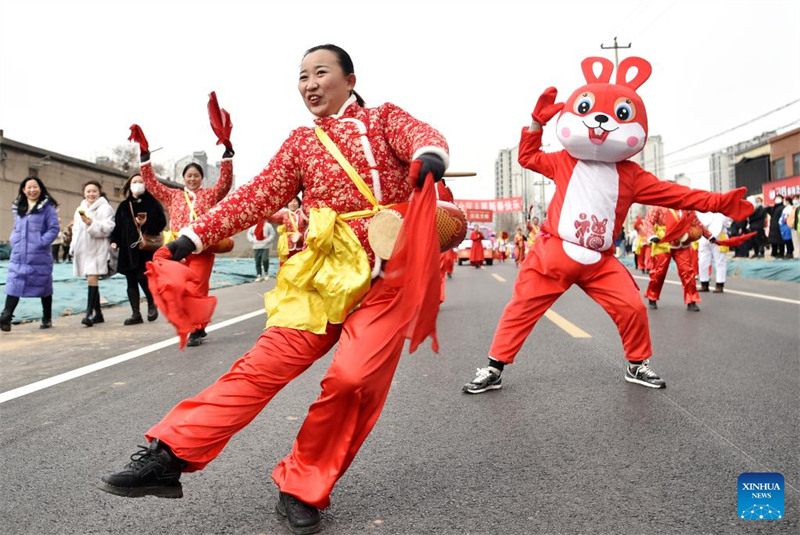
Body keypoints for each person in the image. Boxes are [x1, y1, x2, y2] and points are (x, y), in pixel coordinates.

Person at [99, 44, 449, 535]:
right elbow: (255, 195)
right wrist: (189, 238)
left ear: (350, 79)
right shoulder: (301, 144)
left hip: (386, 280)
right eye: (302, 76)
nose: (309, 84)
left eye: (320, 72)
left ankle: (302, 487)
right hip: (316, 278)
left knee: (352, 381)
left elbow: (423, 136)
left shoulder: (385, 119)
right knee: (260, 367)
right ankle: (169, 455)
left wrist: (429, 157)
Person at [461, 60, 752, 395]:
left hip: (599, 262)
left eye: (618, 116)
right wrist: (534, 125)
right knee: (521, 307)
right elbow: (527, 158)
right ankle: (494, 368)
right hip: (553, 254)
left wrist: (719, 202)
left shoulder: (632, 176)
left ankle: (637, 364)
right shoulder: (563, 161)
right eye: (588, 111)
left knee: (632, 306)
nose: (601, 121)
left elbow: (678, 194)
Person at [140, 142, 234, 346]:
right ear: (183, 178)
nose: (192, 179)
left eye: (196, 175)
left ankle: (196, 330)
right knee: (180, 288)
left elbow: (225, 184)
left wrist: (227, 157)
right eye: (189, 175)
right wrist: (145, 160)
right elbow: (152, 185)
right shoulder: (173, 195)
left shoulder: (210, 194)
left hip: (202, 248)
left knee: (197, 289)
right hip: (177, 248)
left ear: (202, 178)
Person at [1, 177, 60, 331]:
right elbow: (16, 227)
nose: (32, 190)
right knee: (14, 282)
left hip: (39, 254)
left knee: (44, 285)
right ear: (23, 190)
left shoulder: (47, 208)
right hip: (19, 253)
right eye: (29, 187)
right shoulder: (18, 207)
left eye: (35, 187)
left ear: (40, 188)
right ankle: (6, 317)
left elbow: (53, 229)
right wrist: (13, 240)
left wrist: (41, 242)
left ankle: (47, 318)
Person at [110, 173, 167, 325]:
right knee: (130, 281)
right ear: (129, 186)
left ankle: (151, 301)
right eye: (134, 182)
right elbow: (118, 227)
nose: (138, 184)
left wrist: (148, 222)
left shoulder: (152, 203)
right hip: (128, 249)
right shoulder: (124, 206)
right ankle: (136, 314)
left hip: (145, 248)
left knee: (142, 276)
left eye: (141, 181)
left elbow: (162, 223)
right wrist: (114, 241)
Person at [643, 206, 712, 311]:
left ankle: (691, 299)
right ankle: (652, 296)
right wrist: (651, 235)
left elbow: (696, 222)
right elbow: (648, 221)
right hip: (663, 242)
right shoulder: (659, 205)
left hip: (682, 243)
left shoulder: (687, 207)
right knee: (658, 272)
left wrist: (709, 235)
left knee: (687, 271)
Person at [70, 180, 115, 327]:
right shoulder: (79, 209)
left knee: (92, 278)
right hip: (83, 249)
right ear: (84, 193)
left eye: (94, 191)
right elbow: (76, 230)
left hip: (98, 249)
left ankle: (89, 313)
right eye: (88, 191)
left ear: (99, 192)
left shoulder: (105, 208)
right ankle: (99, 314)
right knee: (90, 278)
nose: (91, 194)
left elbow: (108, 228)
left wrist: (91, 223)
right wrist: (73, 247)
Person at [697, 211, 732, 293]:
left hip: (719, 237)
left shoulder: (723, 208)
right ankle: (704, 283)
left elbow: (727, 221)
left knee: (720, 261)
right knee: (702, 261)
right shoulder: (701, 208)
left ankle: (720, 284)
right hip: (704, 237)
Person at [267, 196, 307, 265]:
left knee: (300, 265)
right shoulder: (283, 214)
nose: (292, 203)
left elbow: (312, 222)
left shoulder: (303, 214)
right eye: (290, 202)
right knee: (286, 264)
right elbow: (270, 217)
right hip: (287, 244)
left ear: (299, 203)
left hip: (301, 243)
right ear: (287, 204)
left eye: (295, 201)